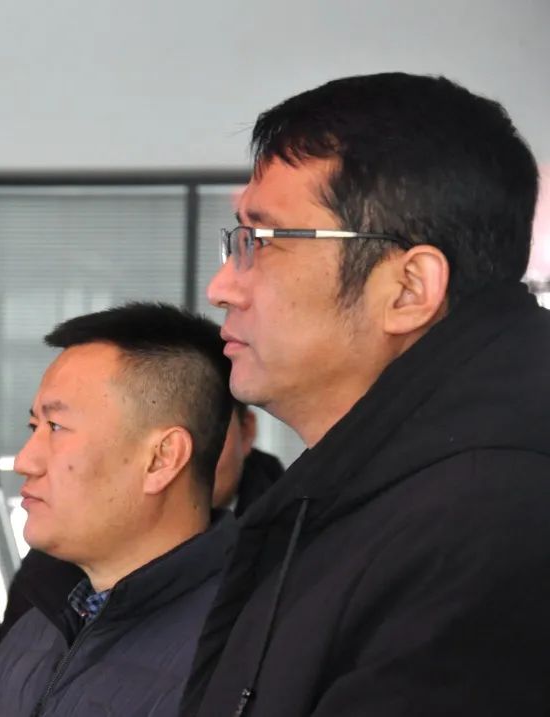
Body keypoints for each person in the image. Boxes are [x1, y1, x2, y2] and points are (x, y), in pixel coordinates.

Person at [183, 73, 550, 717]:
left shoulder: (485, 527)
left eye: (262, 242)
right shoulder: (358, 486)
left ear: (409, 289)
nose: (221, 288)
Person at [0, 303, 237, 717]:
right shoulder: (38, 626)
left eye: (56, 427)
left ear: (162, 458)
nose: (25, 461)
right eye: (34, 427)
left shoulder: (237, 651)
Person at [0, 399, 281, 634]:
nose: (171, 458)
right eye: (38, 427)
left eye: (204, 429)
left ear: (247, 431)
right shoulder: (55, 559)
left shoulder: (286, 558)